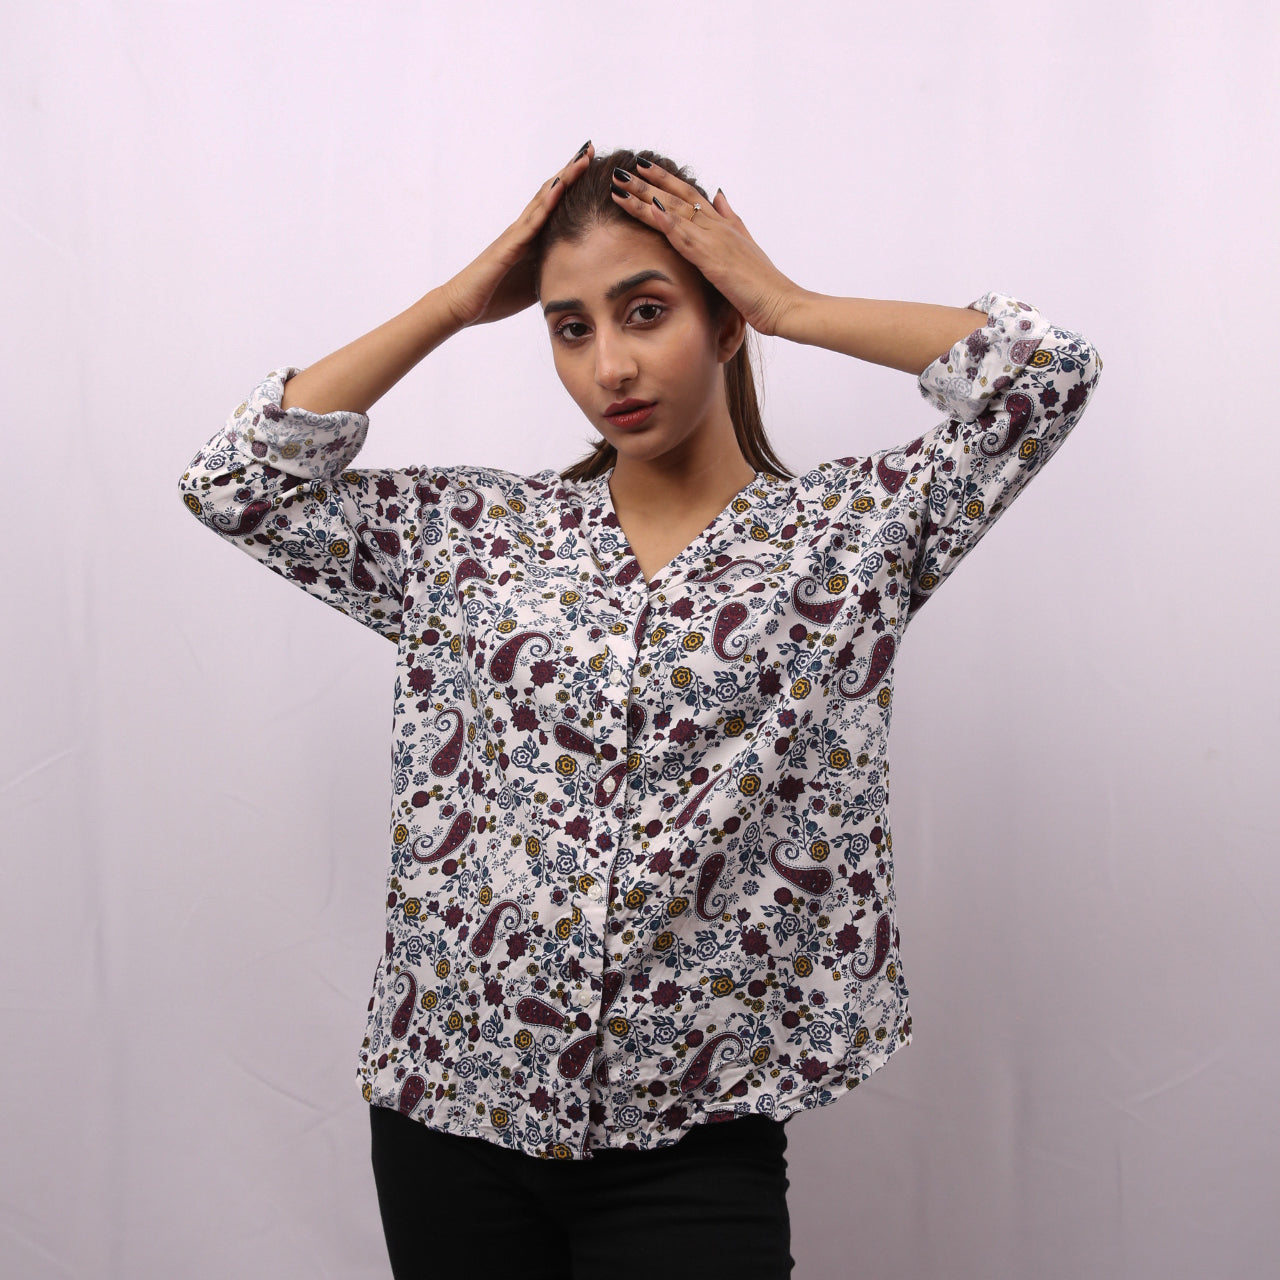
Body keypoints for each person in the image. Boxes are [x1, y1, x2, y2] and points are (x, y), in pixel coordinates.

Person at [177, 140, 1103, 1279]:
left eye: (646, 310)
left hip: (692, 1134)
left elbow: (1046, 374)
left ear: (722, 322)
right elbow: (234, 483)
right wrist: (454, 305)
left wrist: (788, 303)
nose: (609, 363)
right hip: (448, 1108)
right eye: (570, 328)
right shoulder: (469, 539)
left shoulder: (849, 538)